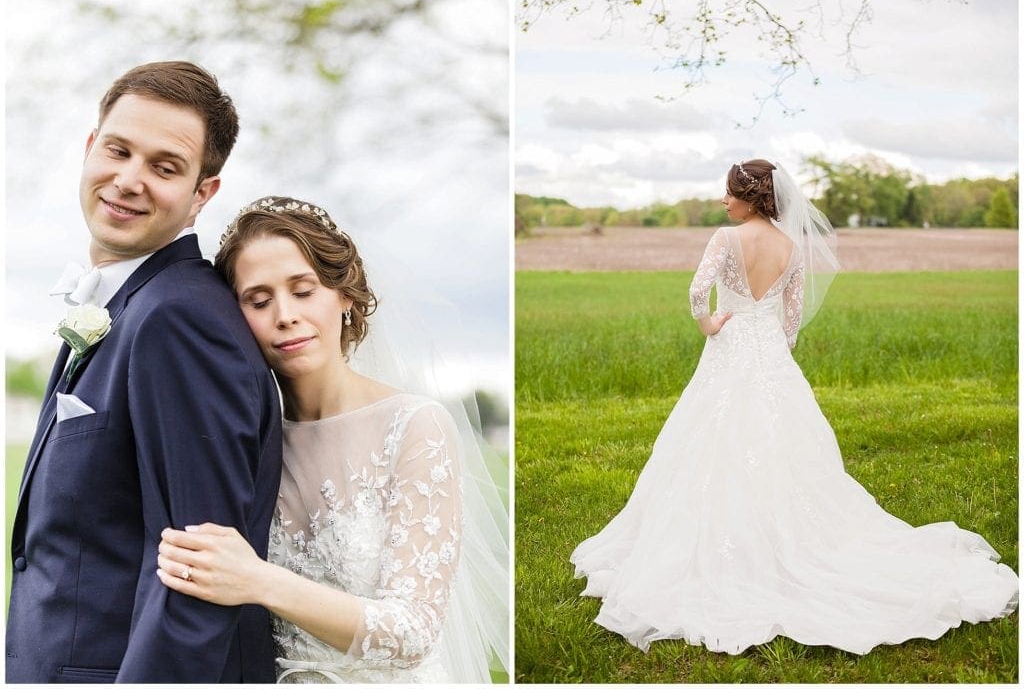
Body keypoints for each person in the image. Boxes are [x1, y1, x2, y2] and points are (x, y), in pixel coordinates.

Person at [570, 159, 1019, 655]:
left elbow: (698, 293)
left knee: (712, 440)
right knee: (783, 445)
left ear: (750, 197)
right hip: (771, 356)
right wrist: (776, 349)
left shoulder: (725, 239)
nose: (723, 201)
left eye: (729, 193)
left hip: (732, 345)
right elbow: (793, 317)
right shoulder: (790, 247)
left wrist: (712, 325)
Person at [155, 196, 511, 683]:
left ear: (344, 295)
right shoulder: (247, 443)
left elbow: (413, 631)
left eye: (303, 291)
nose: (284, 315)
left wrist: (257, 580)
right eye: (259, 301)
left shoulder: (414, 426)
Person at [6, 61, 282, 683]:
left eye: (164, 167)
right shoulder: (128, 303)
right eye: (118, 150)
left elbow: (198, 576)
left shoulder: (180, 320)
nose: (129, 180)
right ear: (89, 149)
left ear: (201, 194)